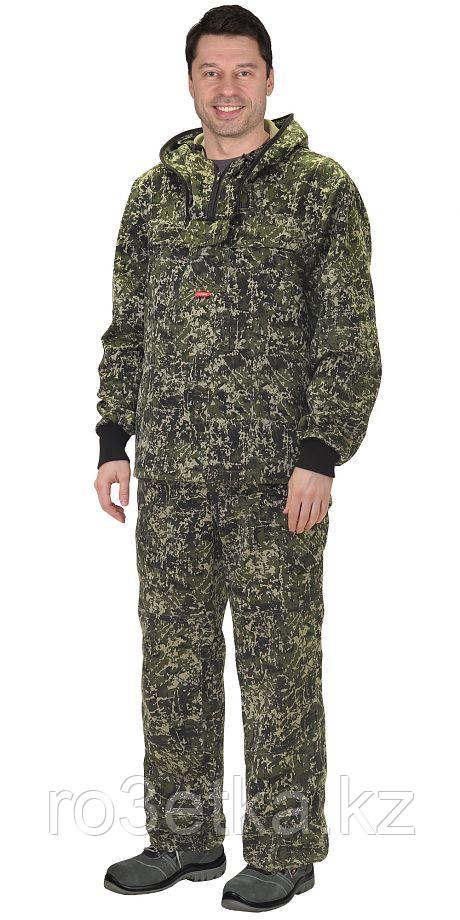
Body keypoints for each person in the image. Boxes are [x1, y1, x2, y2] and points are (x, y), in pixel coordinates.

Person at [93, 4, 382, 912]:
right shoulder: (154, 194)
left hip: (277, 482)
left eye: (243, 71)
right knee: (173, 668)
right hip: (172, 480)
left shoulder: (320, 190)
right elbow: (129, 328)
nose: (227, 88)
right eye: (210, 71)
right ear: (189, 81)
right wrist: (113, 441)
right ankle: (184, 839)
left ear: (270, 79)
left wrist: (321, 453)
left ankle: (286, 851)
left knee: (279, 672)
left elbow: (350, 337)